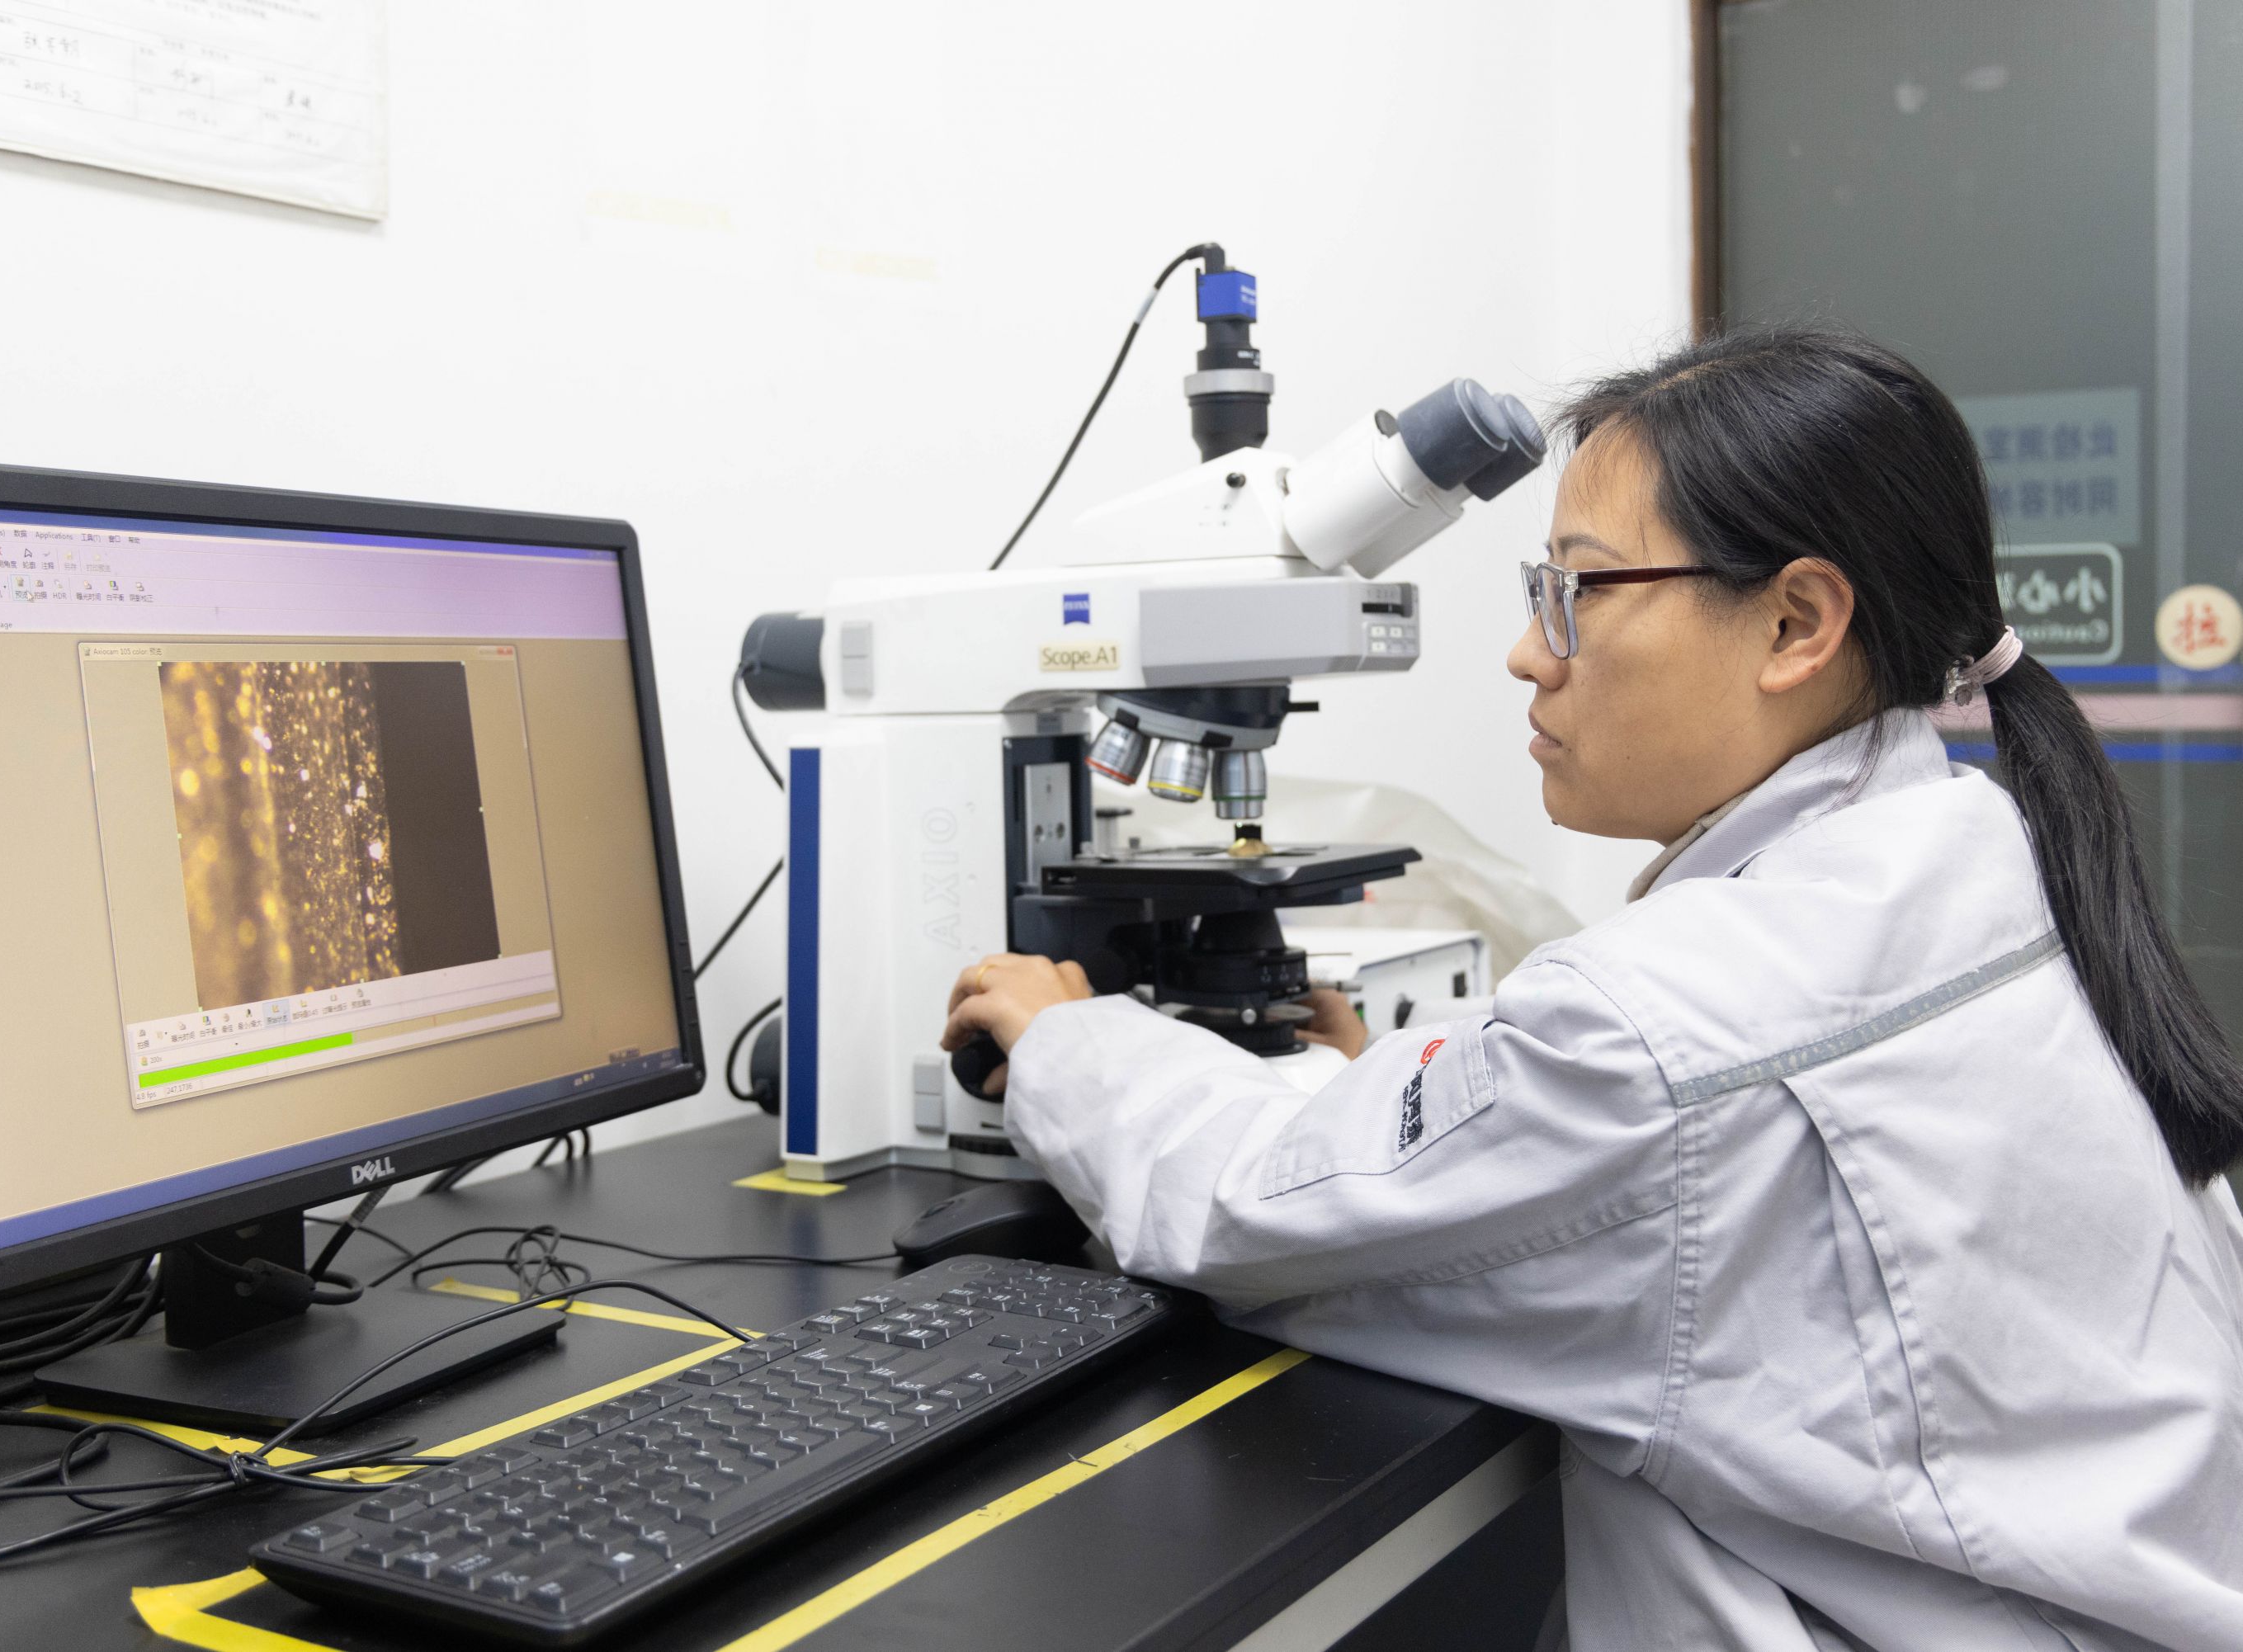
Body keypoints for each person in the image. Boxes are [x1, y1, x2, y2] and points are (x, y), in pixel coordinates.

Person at [941, 327, 2243, 1652]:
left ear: (1796, 622)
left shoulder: (1666, 1030)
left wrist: (1067, 1040)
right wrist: (1361, 1081)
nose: (1528, 652)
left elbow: (1247, 1209)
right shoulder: (1982, 863)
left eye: (1575, 590)